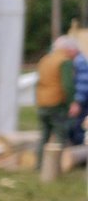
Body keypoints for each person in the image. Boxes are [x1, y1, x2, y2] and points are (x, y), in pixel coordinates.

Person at [35, 35, 77, 169]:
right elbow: (67, 85)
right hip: (56, 103)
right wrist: (72, 102)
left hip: (42, 102)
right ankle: (56, 167)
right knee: (60, 135)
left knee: (44, 136)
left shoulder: (45, 59)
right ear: (67, 49)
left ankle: (39, 165)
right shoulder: (64, 62)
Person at [68, 41, 88, 146]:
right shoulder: (77, 60)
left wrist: (78, 102)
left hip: (82, 101)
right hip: (81, 100)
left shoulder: (79, 61)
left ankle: (79, 151)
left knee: (78, 127)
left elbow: (83, 83)